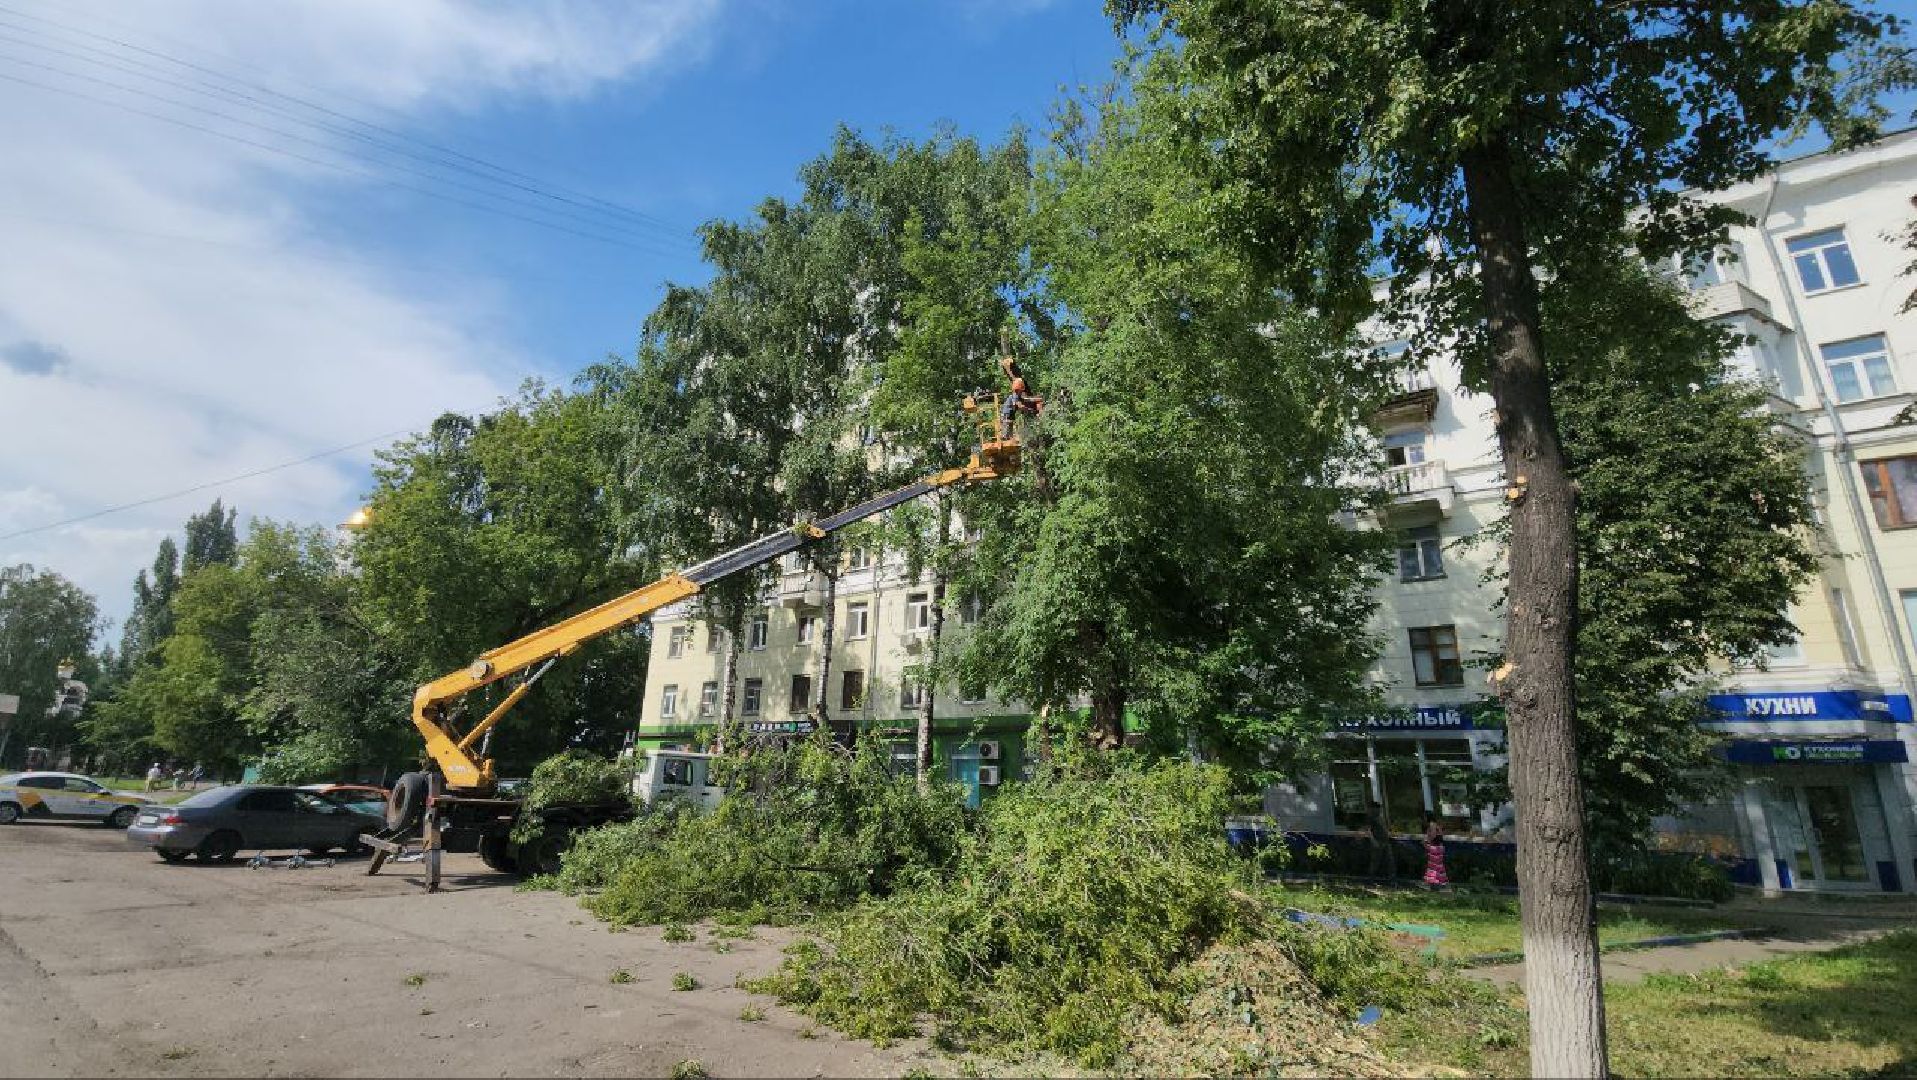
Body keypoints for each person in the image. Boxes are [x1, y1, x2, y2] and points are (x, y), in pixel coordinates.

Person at [1365, 799, 1394, 880]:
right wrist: (1373, 841)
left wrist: (1389, 833)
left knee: (1389, 861)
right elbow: (1368, 830)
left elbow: (1385, 829)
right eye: (1377, 808)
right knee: (1375, 862)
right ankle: (1371, 878)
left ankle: (1391, 878)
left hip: (1386, 842)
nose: (1379, 810)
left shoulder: (1380, 818)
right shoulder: (1371, 818)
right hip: (1378, 842)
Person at [1422, 812, 1450, 889]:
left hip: (1434, 846)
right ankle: (1441, 882)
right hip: (1439, 847)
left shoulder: (1431, 825)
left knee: (1433, 866)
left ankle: (1434, 883)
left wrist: (1427, 841)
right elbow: (1440, 834)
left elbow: (1433, 835)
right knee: (1439, 865)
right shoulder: (1437, 825)